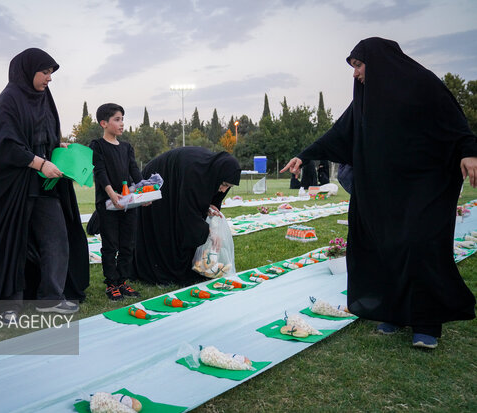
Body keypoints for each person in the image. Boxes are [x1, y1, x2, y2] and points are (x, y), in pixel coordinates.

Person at [281, 37, 477, 349]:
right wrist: (305, 155)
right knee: (388, 245)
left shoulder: (422, 83)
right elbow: (340, 133)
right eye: (353, 66)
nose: (355, 73)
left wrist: (468, 151)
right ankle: (394, 312)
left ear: (379, 61)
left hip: (425, 183)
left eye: (358, 65)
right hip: (385, 189)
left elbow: (454, 122)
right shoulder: (365, 98)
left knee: (420, 245)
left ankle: (426, 323)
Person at [0, 48, 89, 321]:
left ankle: (50, 297)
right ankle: (10, 305)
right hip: (13, 188)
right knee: (14, 244)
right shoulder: (10, 99)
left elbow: (41, 134)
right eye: (45, 72)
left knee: (57, 238)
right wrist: (39, 162)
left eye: (51, 73)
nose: (49, 79)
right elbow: (5, 144)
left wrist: (56, 145)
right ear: (28, 70)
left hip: (44, 187)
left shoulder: (44, 99)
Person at [132, 147, 241, 286]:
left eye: (229, 187)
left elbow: (199, 201)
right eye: (224, 184)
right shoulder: (196, 172)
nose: (224, 190)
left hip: (179, 174)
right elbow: (187, 211)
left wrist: (209, 205)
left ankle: (186, 263)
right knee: (164, 222)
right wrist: (210, 232)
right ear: (217, 175)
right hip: (161, 176)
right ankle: (159, 266)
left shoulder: (211, 172)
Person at [89, 103, 143, 301]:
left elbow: (134, 171)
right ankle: (111, 283)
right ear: (104, 123)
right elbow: (99, 172)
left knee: (128, 243)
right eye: (117, 119)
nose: (122, 124)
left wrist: (144, 193)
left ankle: (122, 281)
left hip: (128, 203)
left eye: (122, 119)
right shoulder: (97, 145)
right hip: (108, 203)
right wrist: (112, 194)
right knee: (111, 245)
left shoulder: (127, 147)